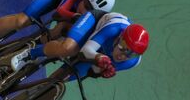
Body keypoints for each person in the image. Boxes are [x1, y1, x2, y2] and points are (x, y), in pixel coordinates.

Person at [10, 12, 149, 81]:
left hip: (100, 49)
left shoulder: (131, 62)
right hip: (94, 24)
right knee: (69, 49)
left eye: (131, 54)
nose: (123, 56)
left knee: (65, 77)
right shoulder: (113, 29)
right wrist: (99, 56)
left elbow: (94, 70)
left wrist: (100, 72)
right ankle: (30, 54)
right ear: (120, 37)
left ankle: (37, 93)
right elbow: (86, 50)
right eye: (123, 47)